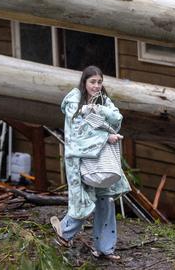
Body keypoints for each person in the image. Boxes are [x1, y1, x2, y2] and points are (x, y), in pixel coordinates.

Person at [50, 65, 130, 260]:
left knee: (106, 200)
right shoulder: (73, 101)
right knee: (83, 202)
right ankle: (63, 233)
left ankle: (104, 248)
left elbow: (117, 119)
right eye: (92, 82)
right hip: (80, 159)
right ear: (84, 82)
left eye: (99, 82)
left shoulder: (103, 100)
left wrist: (98, 110)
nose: (96, 86)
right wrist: (105, 137)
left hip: (101, 160)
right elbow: (77, 131)